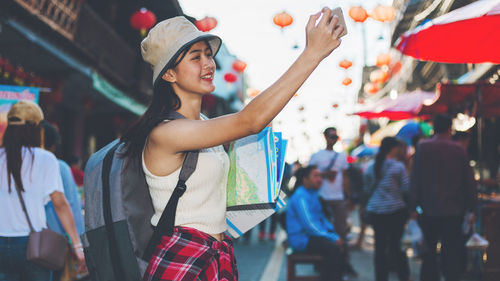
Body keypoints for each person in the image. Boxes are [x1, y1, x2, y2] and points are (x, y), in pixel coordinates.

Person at [120, 10, 344, 280]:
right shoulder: (166, 132)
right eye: (196, 57)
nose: (209, 64)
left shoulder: (204, 124)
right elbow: (250, 120)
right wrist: (312, 54)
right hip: (183, 258)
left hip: (217, 253)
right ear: (169, 73)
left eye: (208, 54)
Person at [0, 101, 85, 281]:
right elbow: (60, 204)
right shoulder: (45, 159)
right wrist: (77, 246)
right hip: (32, 246)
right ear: (35, 129)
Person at [410, 114, 477, 281]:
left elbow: (415, 179)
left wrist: (412, 206)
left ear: (434, 128)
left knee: (429, 252)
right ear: (450, 129)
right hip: (453, 209)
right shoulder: (458, 149)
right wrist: (472, 208)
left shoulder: (422, 147)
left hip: (428, 209)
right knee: (451, 252)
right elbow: (469, 181)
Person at [308, 127, 356, 275]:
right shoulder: (317, 156)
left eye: (335, 137)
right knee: (322, 230)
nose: (332, 139)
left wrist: (348, 196)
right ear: (325, 137)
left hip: (338, 198)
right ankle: (321, 263)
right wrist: (324, 174)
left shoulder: (341, 156)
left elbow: (346, 177)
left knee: (341, 232)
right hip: (322, 197)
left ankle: (342, 263)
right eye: (330, 136)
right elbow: (309, 175)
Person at [286, 165, 346, 281]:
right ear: (305, 179)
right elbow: (309, 225)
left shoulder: (313, 194)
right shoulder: (301, 197)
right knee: (333, 247)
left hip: (311, 236)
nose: (319, 179)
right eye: (315, 176)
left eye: (320, 176)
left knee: (340, 242)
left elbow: (321, 218)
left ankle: (335, 276)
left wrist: (332, 232)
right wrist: (332, 237)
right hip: (302, 240)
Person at [42, 121, 86, 279]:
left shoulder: (17, 163)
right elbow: (71, 206)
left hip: (19, 240)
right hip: (53, 243)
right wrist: (79, 244)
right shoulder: (59, 166)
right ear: (53, 144)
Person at [364, 137, 410, 281]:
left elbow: (366, 188)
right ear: (393, 149)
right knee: (396, 246)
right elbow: (406, 188)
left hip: (376, 212)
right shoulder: (399, 167)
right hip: (395, 211)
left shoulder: (371, 166)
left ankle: (381, 277)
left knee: (380, 248)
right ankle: (403, 276)